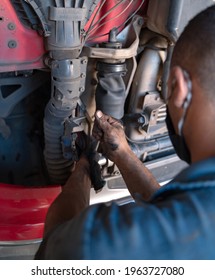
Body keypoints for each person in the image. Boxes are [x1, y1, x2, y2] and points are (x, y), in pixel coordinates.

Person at [35, 5, 215, 259]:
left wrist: (85, 165)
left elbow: (56, 241)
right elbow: (176, 211)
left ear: (178, 87)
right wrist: (123, 154)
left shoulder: (104, 245)